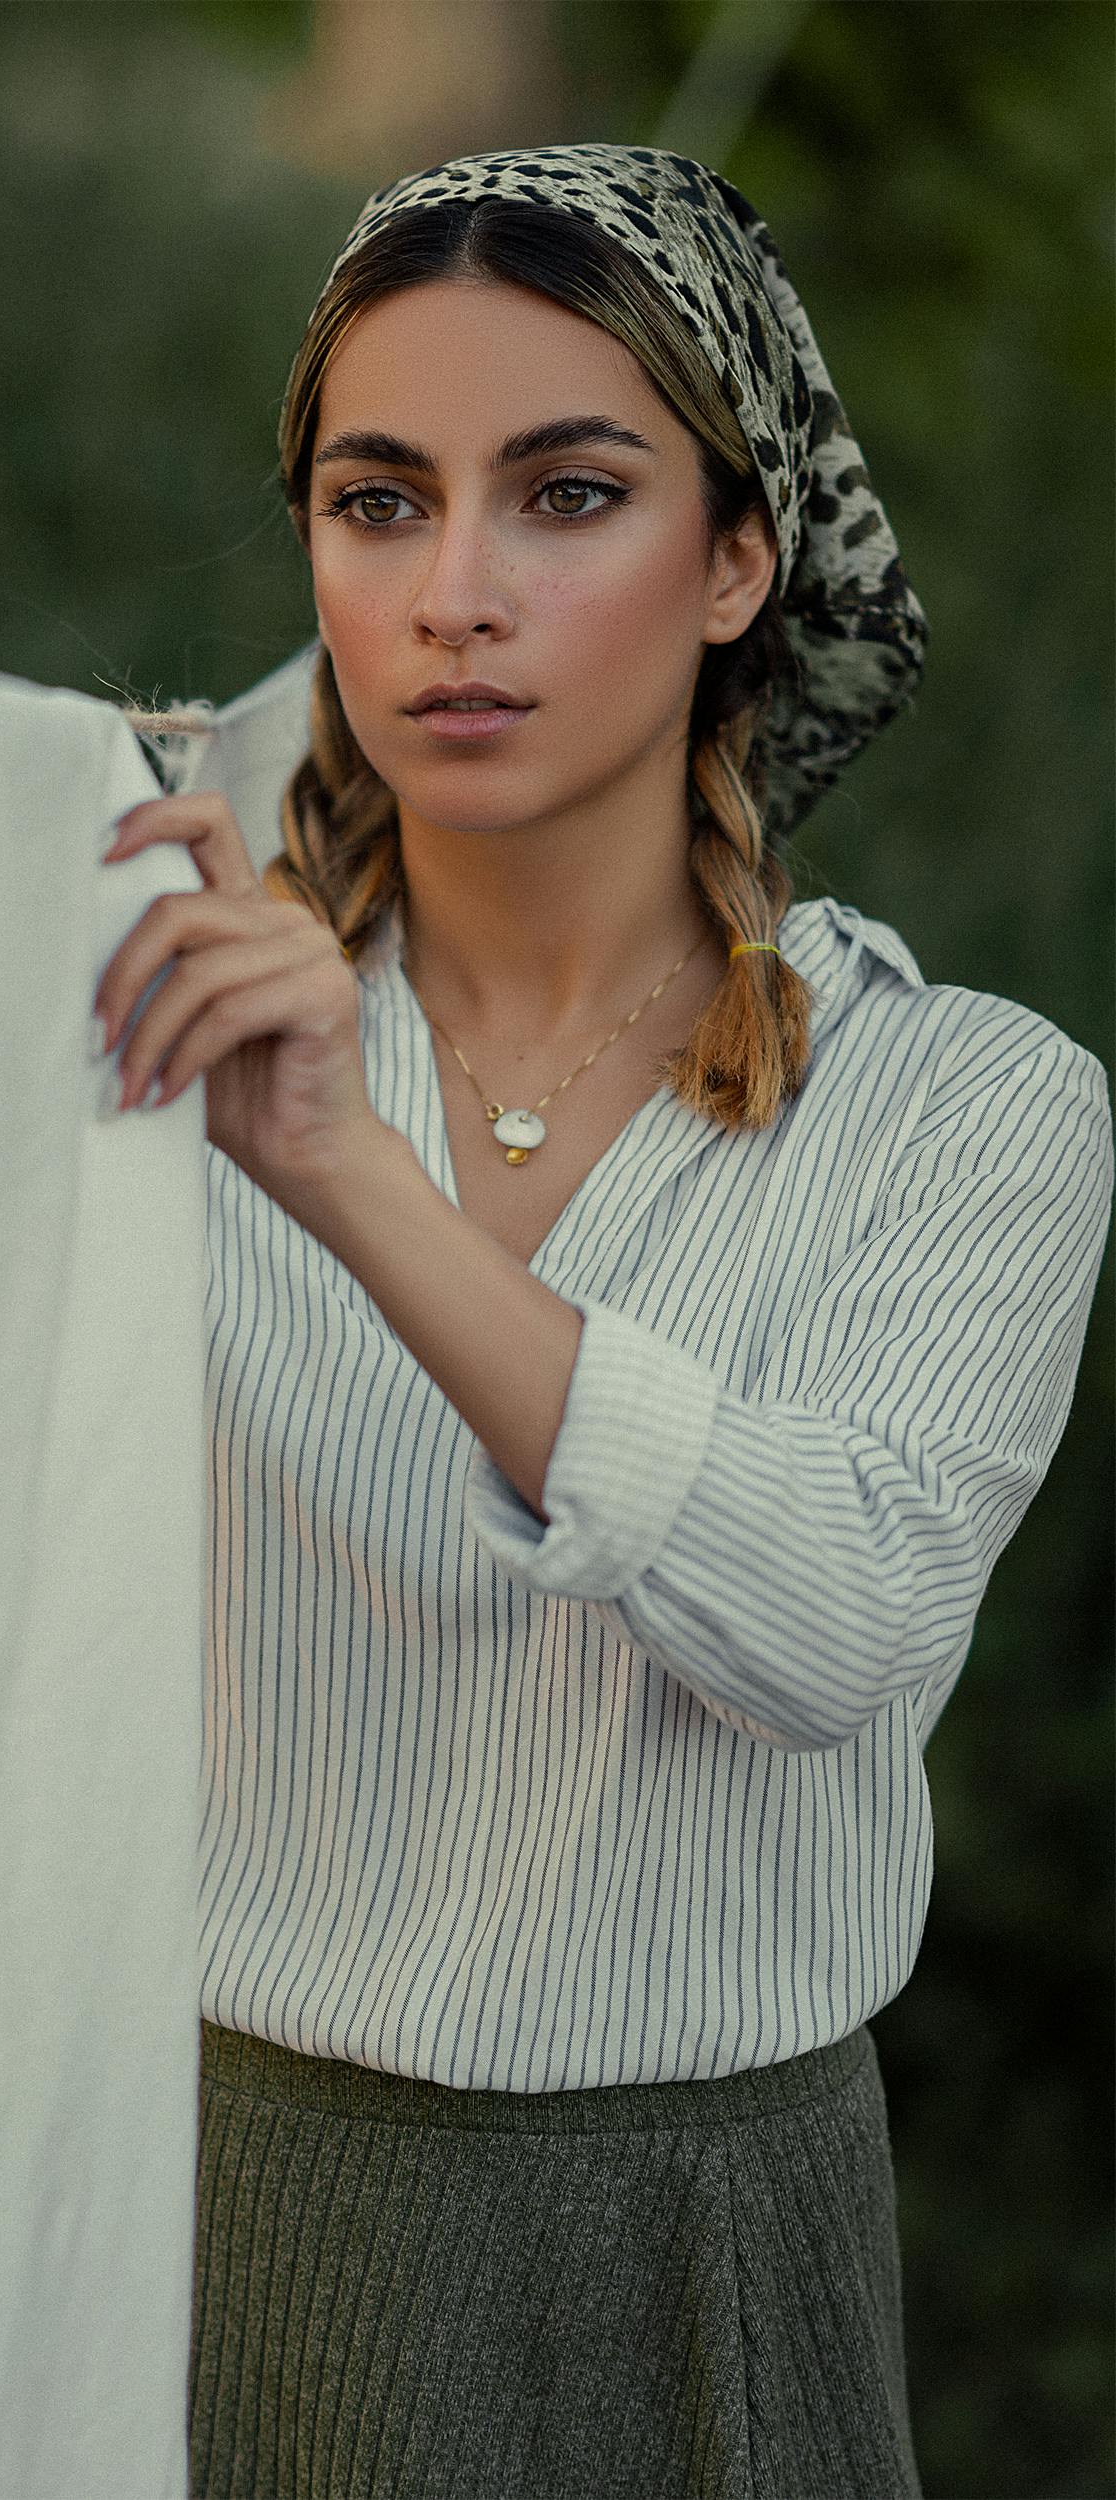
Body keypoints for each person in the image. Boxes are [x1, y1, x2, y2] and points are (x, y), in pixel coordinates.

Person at [89, 146, 1113, 2499]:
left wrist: (345, 1171)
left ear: (737, 558)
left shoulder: (969, 1104)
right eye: (377, 500)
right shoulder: (148, 1045)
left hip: (707, 2253)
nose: (457, 594)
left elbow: (834, 1612)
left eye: (565, 494)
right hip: (211, 2217)